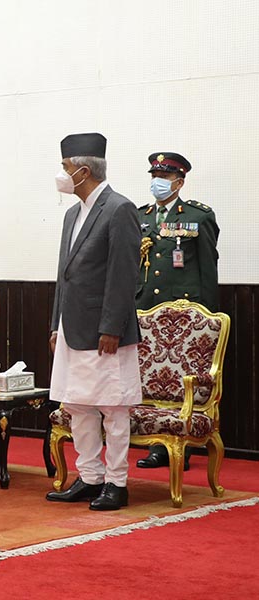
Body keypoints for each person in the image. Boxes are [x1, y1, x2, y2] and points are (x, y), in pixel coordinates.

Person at [45, 133, 141, 511]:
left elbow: (123, 275)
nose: (62, 174)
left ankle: (117, 483)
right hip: (73, 329)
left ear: (83, 171)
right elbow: (64, 276)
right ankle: (89, 476)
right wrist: (56, 324)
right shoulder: (72, 214)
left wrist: (112, 327)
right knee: (77, 405)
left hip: (105, 331)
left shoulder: (119, 209)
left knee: (113, 408)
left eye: (65, 167)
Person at [134, 152, 219, 470]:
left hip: (185, 314)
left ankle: (179, 445)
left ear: (179, 182)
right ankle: (155, 441)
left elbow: (208, 267)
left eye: (164, 177)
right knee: (149, 378)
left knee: (180, 378)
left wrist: (208, 315)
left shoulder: (198, 216)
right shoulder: (140, 217)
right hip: (146, 308)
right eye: (154, 176)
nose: (157, 182)